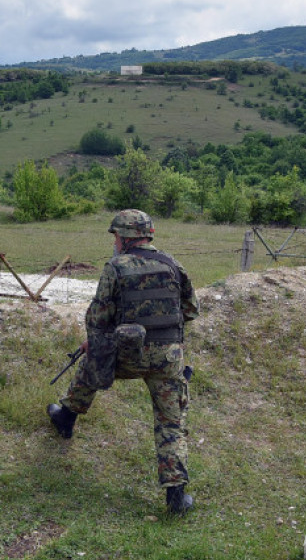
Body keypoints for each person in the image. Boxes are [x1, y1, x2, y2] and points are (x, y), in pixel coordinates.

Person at [47, 209, 199, 515]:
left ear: (125, 237)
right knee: (171, 422)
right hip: (167, 359)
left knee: (91, 364)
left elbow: (98, 316)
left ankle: (66, 417)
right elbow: (191, 310)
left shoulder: (116, 267)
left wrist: (102, 340)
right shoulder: (173, 265)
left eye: (116, 236)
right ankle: (176, 496)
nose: (115, 241)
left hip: (126, 355)